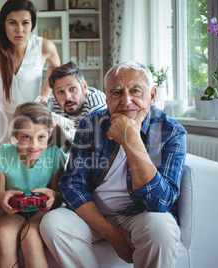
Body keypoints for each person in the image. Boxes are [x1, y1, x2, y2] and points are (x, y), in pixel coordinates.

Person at [40, 61, 187, 268]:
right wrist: (112, 233)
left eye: (135, 91)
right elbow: (72, 183)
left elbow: (161, 203)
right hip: (94, 214)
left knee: (161, 228)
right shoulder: (90, 124)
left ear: (152, 95)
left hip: (141, 215)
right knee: (53, 223)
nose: (127, 101)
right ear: (107, 98)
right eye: (117, 93)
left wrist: (131, 140)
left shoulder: (171, 131)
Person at [0, 102, 67, 267]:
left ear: (49, 134)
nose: (34, 145)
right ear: (15, 135)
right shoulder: (0, 155)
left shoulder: (55, 155)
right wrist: (2, 198)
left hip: (41, 213)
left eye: (41, 138)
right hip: (13, 214)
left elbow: (59, 197)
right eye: (26, 137)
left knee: (30, 235)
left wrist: (53, 196)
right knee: (3, 234)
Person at [0, 0, 60, 143]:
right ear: (4, 24)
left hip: (33, 116)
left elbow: (55, 67)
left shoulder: (44, 46)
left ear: (32, 24)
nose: (19, 29)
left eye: (25, 23)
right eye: (13, 22)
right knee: (1, 161)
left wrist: (45, 94)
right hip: (2, 116)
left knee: (30, 158)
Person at [50, 61, 107, 127]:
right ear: (54, 95)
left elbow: (97, 135)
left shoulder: (97, 102)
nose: (67, 97)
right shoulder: (56, 103)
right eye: (60, 92)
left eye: (72, 89)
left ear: (84, 87)